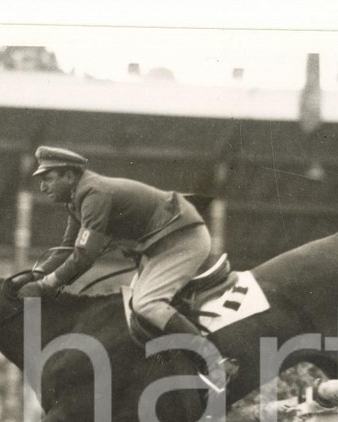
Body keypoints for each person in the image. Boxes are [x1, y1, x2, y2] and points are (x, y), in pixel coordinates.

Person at [16, 145, 238, 391]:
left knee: (147, 304)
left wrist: (47, 284)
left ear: (69, 176)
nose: (43, 186)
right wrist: (35, 274)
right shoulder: (77, 199)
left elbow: (84, 255)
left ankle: (216, 363)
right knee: (133, 310)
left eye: (48, 178)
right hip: (162, 244)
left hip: (182, 240)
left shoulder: (93, 193)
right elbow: (68, 248)